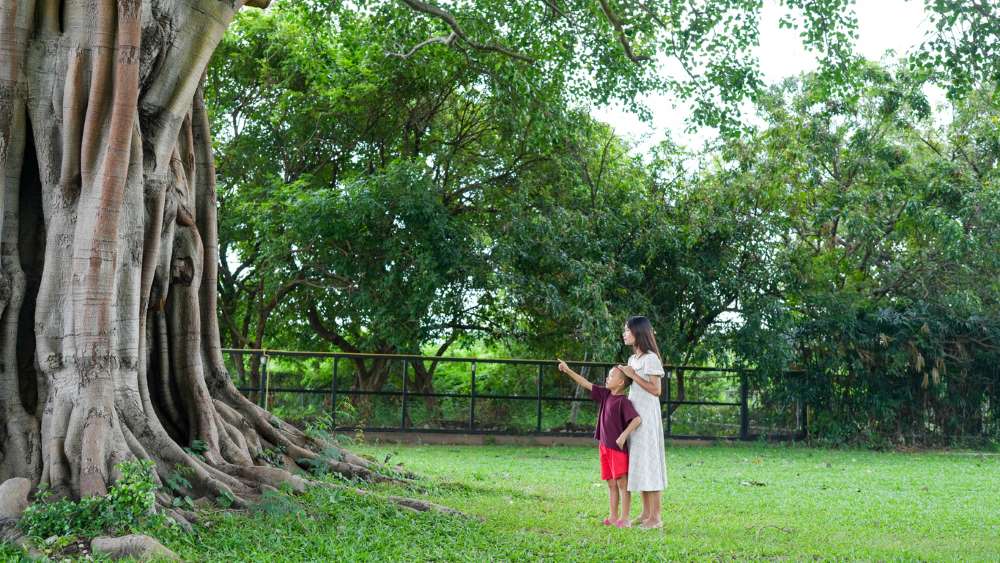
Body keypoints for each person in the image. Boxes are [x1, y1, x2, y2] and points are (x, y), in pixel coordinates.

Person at [557, 359, 642, 528]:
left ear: (620, 382)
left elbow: (637, 420)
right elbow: (585, 383)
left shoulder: (623, 402)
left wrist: (623, 436)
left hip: (617, 450)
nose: (607, 378)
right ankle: (613, 516)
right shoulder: (605, 395)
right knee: (611, 484)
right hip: (604, 446)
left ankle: (625, 518)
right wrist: (567, 370)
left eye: (611, 376)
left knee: (622, 484)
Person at [617, 315, 668, 530]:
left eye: (627, 330)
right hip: (635, 416)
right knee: (638, 463)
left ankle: (656, 517)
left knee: (650, 463)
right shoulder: (633, 360)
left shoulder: (650, 358)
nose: (624, 333)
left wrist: (633, 375)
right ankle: (646, 513)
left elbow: (656, 390)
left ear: (638, 332)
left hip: (647, 417)